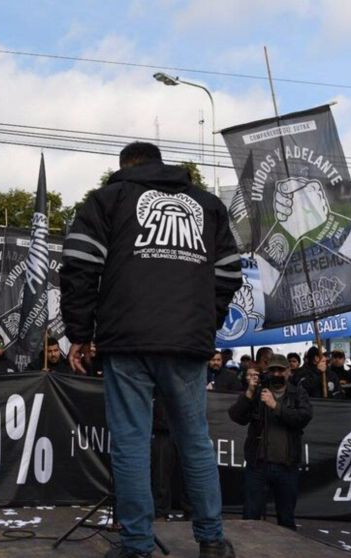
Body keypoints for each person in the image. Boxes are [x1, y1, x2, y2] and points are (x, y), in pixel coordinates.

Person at [61, 141, 240, 558]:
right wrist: (202, 322)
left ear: (125, 166)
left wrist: (79, 333)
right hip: (186, 344)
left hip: (127, 341)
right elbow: (230, 274)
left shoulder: (108, 199)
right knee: (194, 441)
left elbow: (80, 266)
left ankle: (137, 545)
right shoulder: (209, 206)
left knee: (130, 443)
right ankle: (212, 541)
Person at [229, 354, 312, 530]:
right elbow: (236, 416)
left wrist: (276, 406)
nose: (276, 374)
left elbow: (303, 417)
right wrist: (249, 393)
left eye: (280, 370)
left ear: (288, 371)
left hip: (287, 466)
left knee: (286, 518)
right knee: (250, 517)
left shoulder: (297, 393)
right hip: (258, 465)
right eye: (272, 370)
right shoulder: (259, 392)